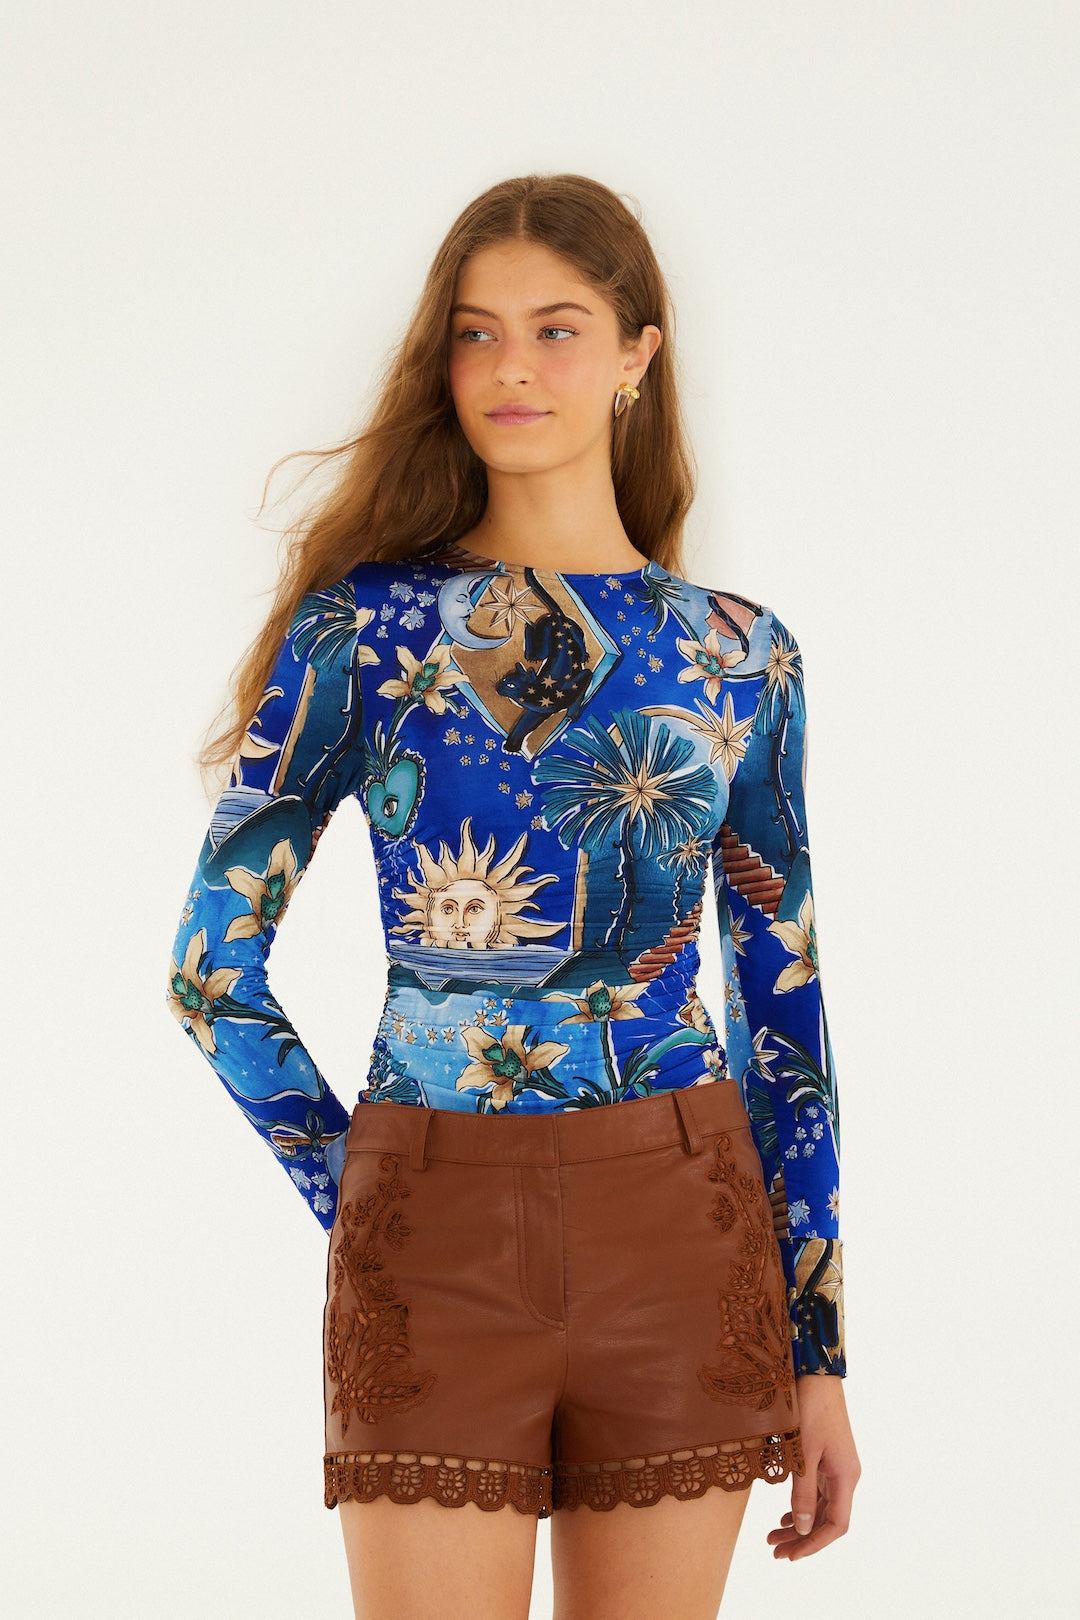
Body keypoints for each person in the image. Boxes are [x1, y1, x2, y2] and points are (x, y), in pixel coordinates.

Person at [166, 172, 860, 1619]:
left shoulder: (742, 658)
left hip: (685, 1234)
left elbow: (784, 1011)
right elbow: (210, 975)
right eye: (476, 333)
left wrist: (822, 1352)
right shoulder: (361, 633)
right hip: (434, 1242)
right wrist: (369, 1199)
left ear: (637, 356)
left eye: (557, 329)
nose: (512, 368)